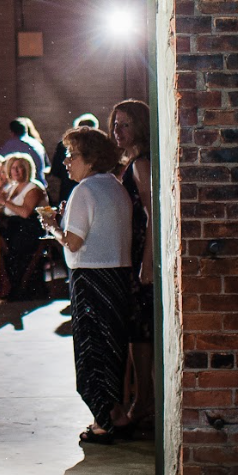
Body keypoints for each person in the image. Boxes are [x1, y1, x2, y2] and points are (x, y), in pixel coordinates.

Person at [41, 126, 133, 444]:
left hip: (91, 278)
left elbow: (74, 243)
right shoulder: (114, 185)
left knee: (91, 350)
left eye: (71, 155)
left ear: (91, 158)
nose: (66, 162)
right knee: (111, 348)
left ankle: (104, 422)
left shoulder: (84, 191)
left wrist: (54, 227)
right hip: (117, 277)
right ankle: (116, 414)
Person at [109, 99, 155, 428]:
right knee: (136, 331)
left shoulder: (141, 164)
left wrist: (147, 263)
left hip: (142, 255)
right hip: (134, 252)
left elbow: (152, 216)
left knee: (141, 332)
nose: (118, 130)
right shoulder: (132, 161)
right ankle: (142, 401)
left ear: (139, 126)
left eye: (125, 124)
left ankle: (143, 403)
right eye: (115, 124)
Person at [0, 152, 47, 299]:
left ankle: (14, 286)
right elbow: (5, 209)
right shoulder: (12, 187)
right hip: (13, 226)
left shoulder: (33, 188)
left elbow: (25, 212)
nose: (17, 171)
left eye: (20, 167)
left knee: (8, 245)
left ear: (27, 169)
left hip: (29, 227)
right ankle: (5, 284)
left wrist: (5, 202)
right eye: (13, 168)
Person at [49, 114, 99, 206]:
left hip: (68, 186)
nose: (65, 161)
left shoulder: (63, 145)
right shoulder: (63, 145)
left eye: (72, 156)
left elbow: (56, 170)